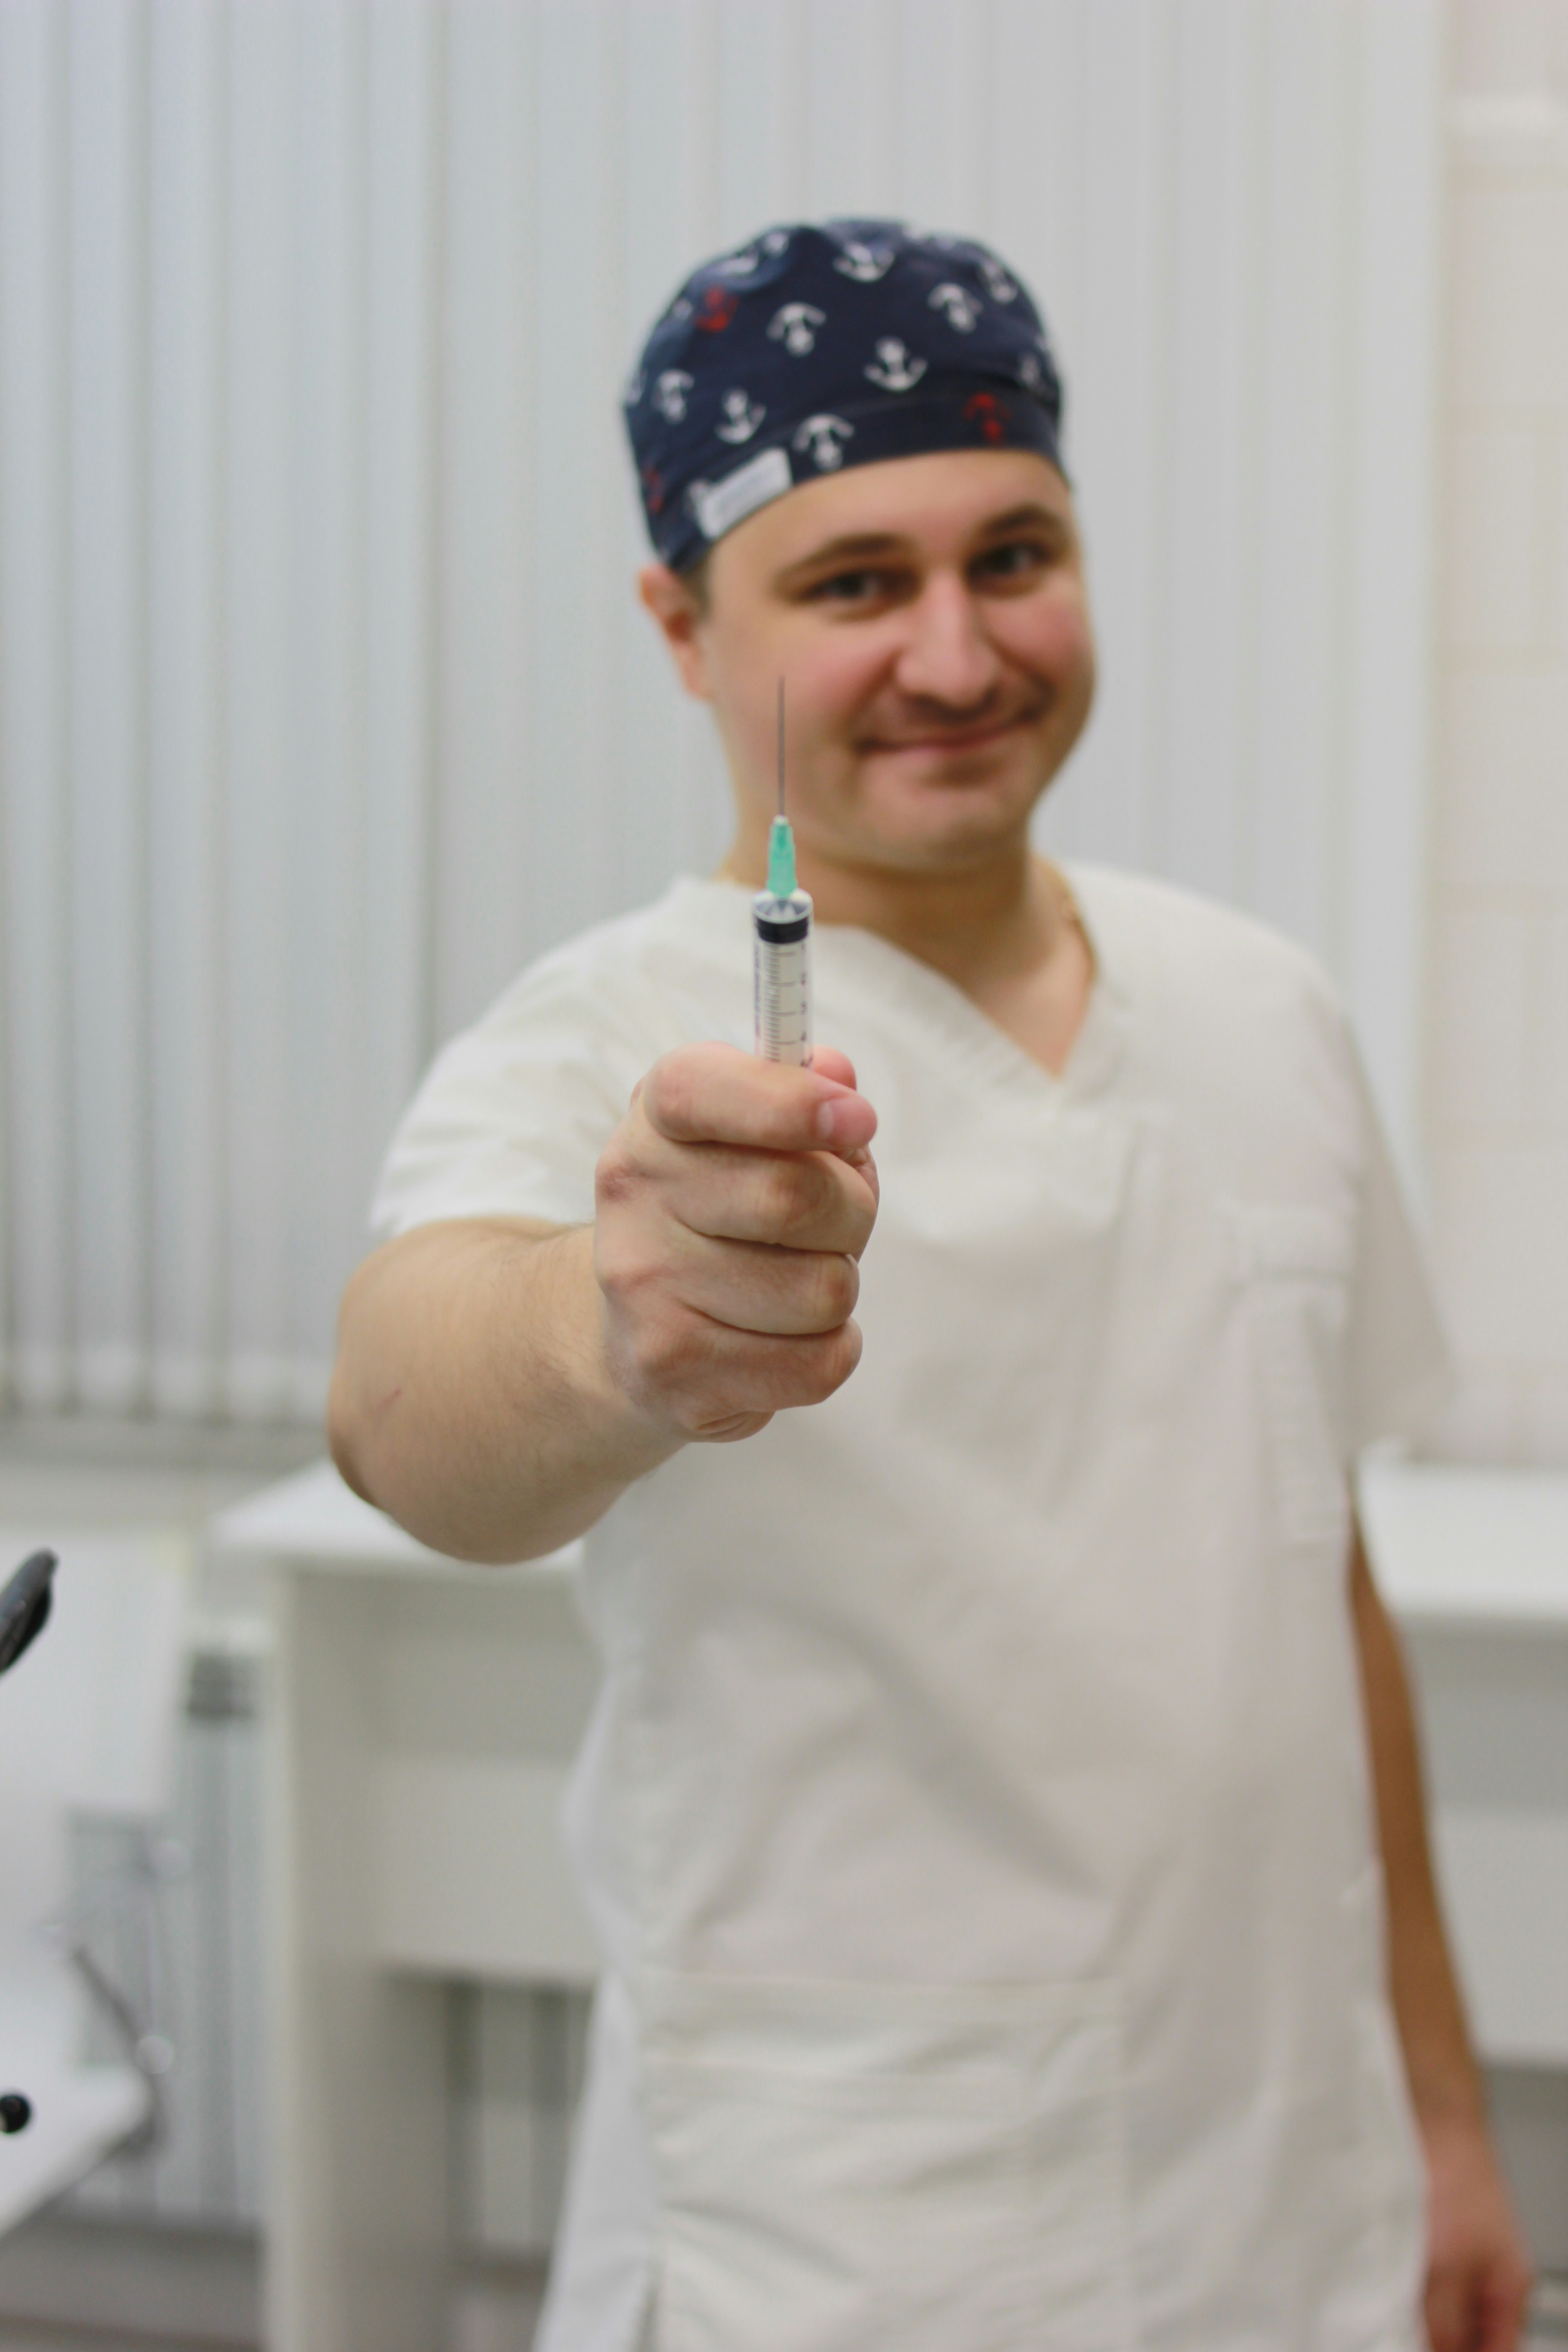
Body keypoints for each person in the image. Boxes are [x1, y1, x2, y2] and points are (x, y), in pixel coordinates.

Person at [329, 222, 1533, 2352]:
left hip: (1297, 2205)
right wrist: (613, 1335)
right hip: (851, 2247)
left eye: (1018, 553)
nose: (964, 656)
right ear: (685, 629)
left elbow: (1312, 1580)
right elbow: (410, 1415)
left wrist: (1441, 2114)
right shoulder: (598, 1039)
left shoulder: (1262, 1007)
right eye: (858, 583)